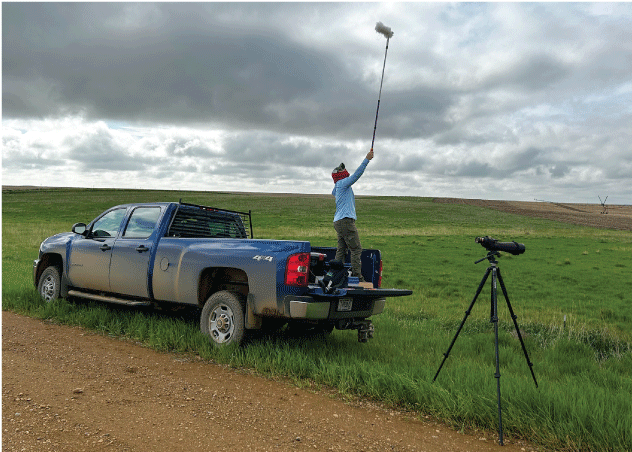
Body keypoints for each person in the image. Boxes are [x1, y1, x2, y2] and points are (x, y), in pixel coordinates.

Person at [331, 149, 374, 281]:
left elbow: (333, 192)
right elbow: (356, 175)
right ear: (340, 175)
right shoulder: (343, 184)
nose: (345, 171)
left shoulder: (338, 186)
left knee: (341, 250)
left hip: (338, 222)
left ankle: (335, 276)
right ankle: (357, 278)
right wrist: (367, 159)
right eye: (342, 170)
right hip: (345, 221)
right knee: (356, 249)